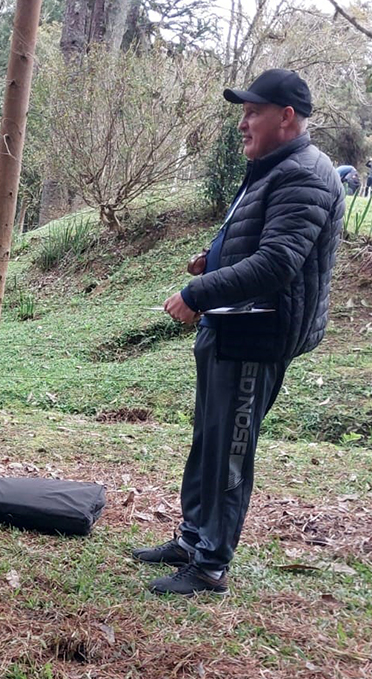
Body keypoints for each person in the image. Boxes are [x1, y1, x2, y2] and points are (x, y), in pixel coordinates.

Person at [137, 68, 344, 596]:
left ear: (287, 117)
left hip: (257, 334)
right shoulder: (274, 166)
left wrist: (198, 292)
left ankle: (210, 565)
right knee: (209, 440)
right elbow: (257, 236)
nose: (242, 123)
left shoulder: (305, 174)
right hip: (231, 325)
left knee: (229, 447)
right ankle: (192, 540)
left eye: (253, 112)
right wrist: (214, 257)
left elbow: (277, 263)